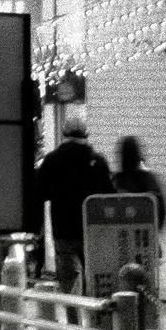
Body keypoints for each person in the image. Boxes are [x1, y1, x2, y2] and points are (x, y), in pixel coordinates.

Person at [32, 119, 115, 290]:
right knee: (93, 275)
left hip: (64, 230)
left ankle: (73, 316)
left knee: (69, 279)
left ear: (64, 135)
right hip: (93, 228)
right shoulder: (98, 161)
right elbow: (110, 194)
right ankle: (93, 312)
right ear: (86, 135)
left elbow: (39, 193)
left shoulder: (51, 160)